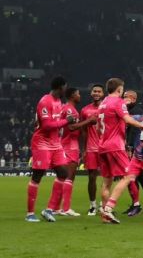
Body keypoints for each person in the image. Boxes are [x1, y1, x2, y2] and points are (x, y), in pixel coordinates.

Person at [26, 76, 78, 222]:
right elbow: (47, 126)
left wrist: (67, 121)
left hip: (55, 143)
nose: (66, 90)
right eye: (65, 87)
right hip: (42, 142)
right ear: (60, 87)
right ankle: (30, 213)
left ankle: (49, 209)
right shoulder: (45, 101)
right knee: (37, 175)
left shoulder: (58, 101)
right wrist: (65, 121)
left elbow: (56, 122)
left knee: (63, 172)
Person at [98, 78, 143, 224]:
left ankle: (104, 214)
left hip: (102, 146)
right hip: (115, 145)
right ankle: (108, 209)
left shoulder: (103, 103)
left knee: (107, 181)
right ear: (119, 89)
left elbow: (97, 127)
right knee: (129, 176)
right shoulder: (118, 102)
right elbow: (126, 119)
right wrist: (141, 125)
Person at [58, 87, 95, 216]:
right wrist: (89, 121)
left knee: (64, 177)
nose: (80, 96)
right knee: (70, 176)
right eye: (78, 94)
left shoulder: (67, 108)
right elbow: (71, 127)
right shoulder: (70, 110)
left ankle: (59, 207)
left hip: (67, 144)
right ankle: (66, 208)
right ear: (73, 95)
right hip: (69, 145)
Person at [123, 90, 143, 215]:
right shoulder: (129, 111)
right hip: (133, 147)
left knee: (136, 176)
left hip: (135, 148)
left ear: (133, 99)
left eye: (126, 97)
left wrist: (130, 147)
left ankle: (141, 203)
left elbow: (135, 132)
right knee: (138, 177)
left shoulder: (137, 111)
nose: (124, 99)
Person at [82, 84, 104, 216]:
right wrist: (83, 149)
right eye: (94, 91)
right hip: (91, 148)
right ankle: (92, 205)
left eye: (99, 91)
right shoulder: (85, 110)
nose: (96, 93)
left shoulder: (107, 108)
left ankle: (103, 204)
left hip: (105, 147)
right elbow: (83, 131)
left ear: (103, 94)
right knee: (91, 178)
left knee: (107, 177)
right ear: (91, 93)